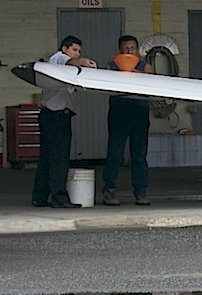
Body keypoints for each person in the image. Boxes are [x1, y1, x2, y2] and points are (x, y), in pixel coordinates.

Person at [32, 36, 96, 208]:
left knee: (47, 158)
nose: (76, 54)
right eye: (75, 50)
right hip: (57, 116)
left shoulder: (61, 67)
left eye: (79, 51)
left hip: (51, 115)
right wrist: (82, 61)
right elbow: (70, 61)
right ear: (65, 48)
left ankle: (40, 196)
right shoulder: (59, 58)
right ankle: (59, 198)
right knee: (59, 158)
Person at [102, 35, 154, 206]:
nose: (128, 51)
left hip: (139, 113)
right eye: (125, 48)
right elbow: (107, 82)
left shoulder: (144, 66)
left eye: (132, 48)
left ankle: (141, 193)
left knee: (139, 155)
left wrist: (136, 75)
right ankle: (109, 191)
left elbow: (151, 78)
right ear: (119, 50)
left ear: (137, 50)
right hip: (119, 113)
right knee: (114, 154)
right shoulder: (112, 66)